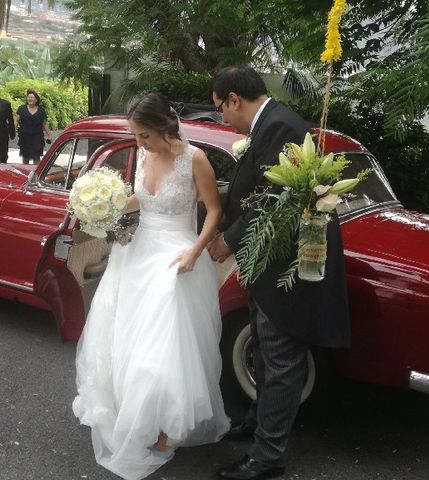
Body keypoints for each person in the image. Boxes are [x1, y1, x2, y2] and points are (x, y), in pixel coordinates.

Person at [72, 93, 230, 480]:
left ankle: (167, 429)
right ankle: (135, 413)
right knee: (128, 337)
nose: (140, 143)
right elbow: (139, 201)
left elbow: (214, 210)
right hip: (137, 253)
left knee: (163, 348)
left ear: (164, 126)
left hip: (177, 256)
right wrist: (100, 207)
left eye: (144, 135)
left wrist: (195, 251)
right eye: (137, 136)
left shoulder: (195, 159)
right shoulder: (143, 155)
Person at [208, 66, 351, 480]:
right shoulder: (272, 123)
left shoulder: (280, 126)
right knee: (265, 351)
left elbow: (273, 200)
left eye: (220, 108)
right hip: (267, 262)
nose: (222, 118)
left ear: (234, 98)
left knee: (281, 357)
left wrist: (227, 241)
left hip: (284, 262)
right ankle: (256, 422)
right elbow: (255, 186)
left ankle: (267, 457)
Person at [15, 88, 51, 164]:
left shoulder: (41, 110)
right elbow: (16, 121)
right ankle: (26, 174)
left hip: (37, 137)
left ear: (36, 100)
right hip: (25, 137)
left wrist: (49, 135)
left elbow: (45, 124)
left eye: (32, 97)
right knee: (25, 158)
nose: (30, 99)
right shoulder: (21, 109)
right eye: (29, 97)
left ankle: (37, 175)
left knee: (37, 158)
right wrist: (12, 131)